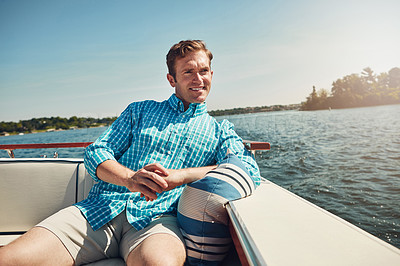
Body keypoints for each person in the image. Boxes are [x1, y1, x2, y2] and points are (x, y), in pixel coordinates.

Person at [0, 40, 260, 266]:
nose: (198, 79)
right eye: (188, 71)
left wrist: (181, 177)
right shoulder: (139, 110)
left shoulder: (220, 130)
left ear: (212, 74)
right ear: (172, 79)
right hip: (99, 210)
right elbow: (97, 152)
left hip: (157, 220)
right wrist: (130, 179)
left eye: (204, 71)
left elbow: (244, 165)